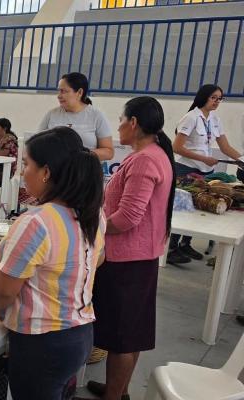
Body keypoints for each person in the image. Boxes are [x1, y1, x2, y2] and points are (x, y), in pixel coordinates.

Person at [0, 127, 105, 400]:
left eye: (26, 165)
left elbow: (3, 294)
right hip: (81, 335)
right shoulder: (92, 214)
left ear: (46, 172)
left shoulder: (36, 223)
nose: (23, 173)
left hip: (43, 343)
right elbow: (98, 259)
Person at [86, 97, 175, 400]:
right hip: (139, 257)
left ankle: (114, 396)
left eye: (121, 120)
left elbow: (127, 217)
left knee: (121, 338)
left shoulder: (144, 160)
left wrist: (93, 228)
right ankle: (119, 390)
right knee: (129, 334)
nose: (119, 126)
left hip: (127, 260)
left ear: (133, 123)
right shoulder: (153, 154)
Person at [167, 84, 243, 264]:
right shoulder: (191, 117)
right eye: (213, 98)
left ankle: (185, 244)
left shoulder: (215, 119)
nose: (217, 102)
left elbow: (225, 147)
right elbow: (176, 147)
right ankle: (171, 249)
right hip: (187, 169)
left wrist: (241, 159)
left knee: (198, 208)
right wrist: (203, 158)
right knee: (183, 209)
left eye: (220, 99)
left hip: (206, 170)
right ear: (204, 97)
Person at [38, 72, 114, 161]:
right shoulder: (52, 114)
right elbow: (36, 144)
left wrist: (80, 154)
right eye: (59, 91)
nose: (59, 96)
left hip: (84, 168)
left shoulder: (96, 115)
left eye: (64, 91)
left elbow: (108, 152)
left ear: (79, 92)